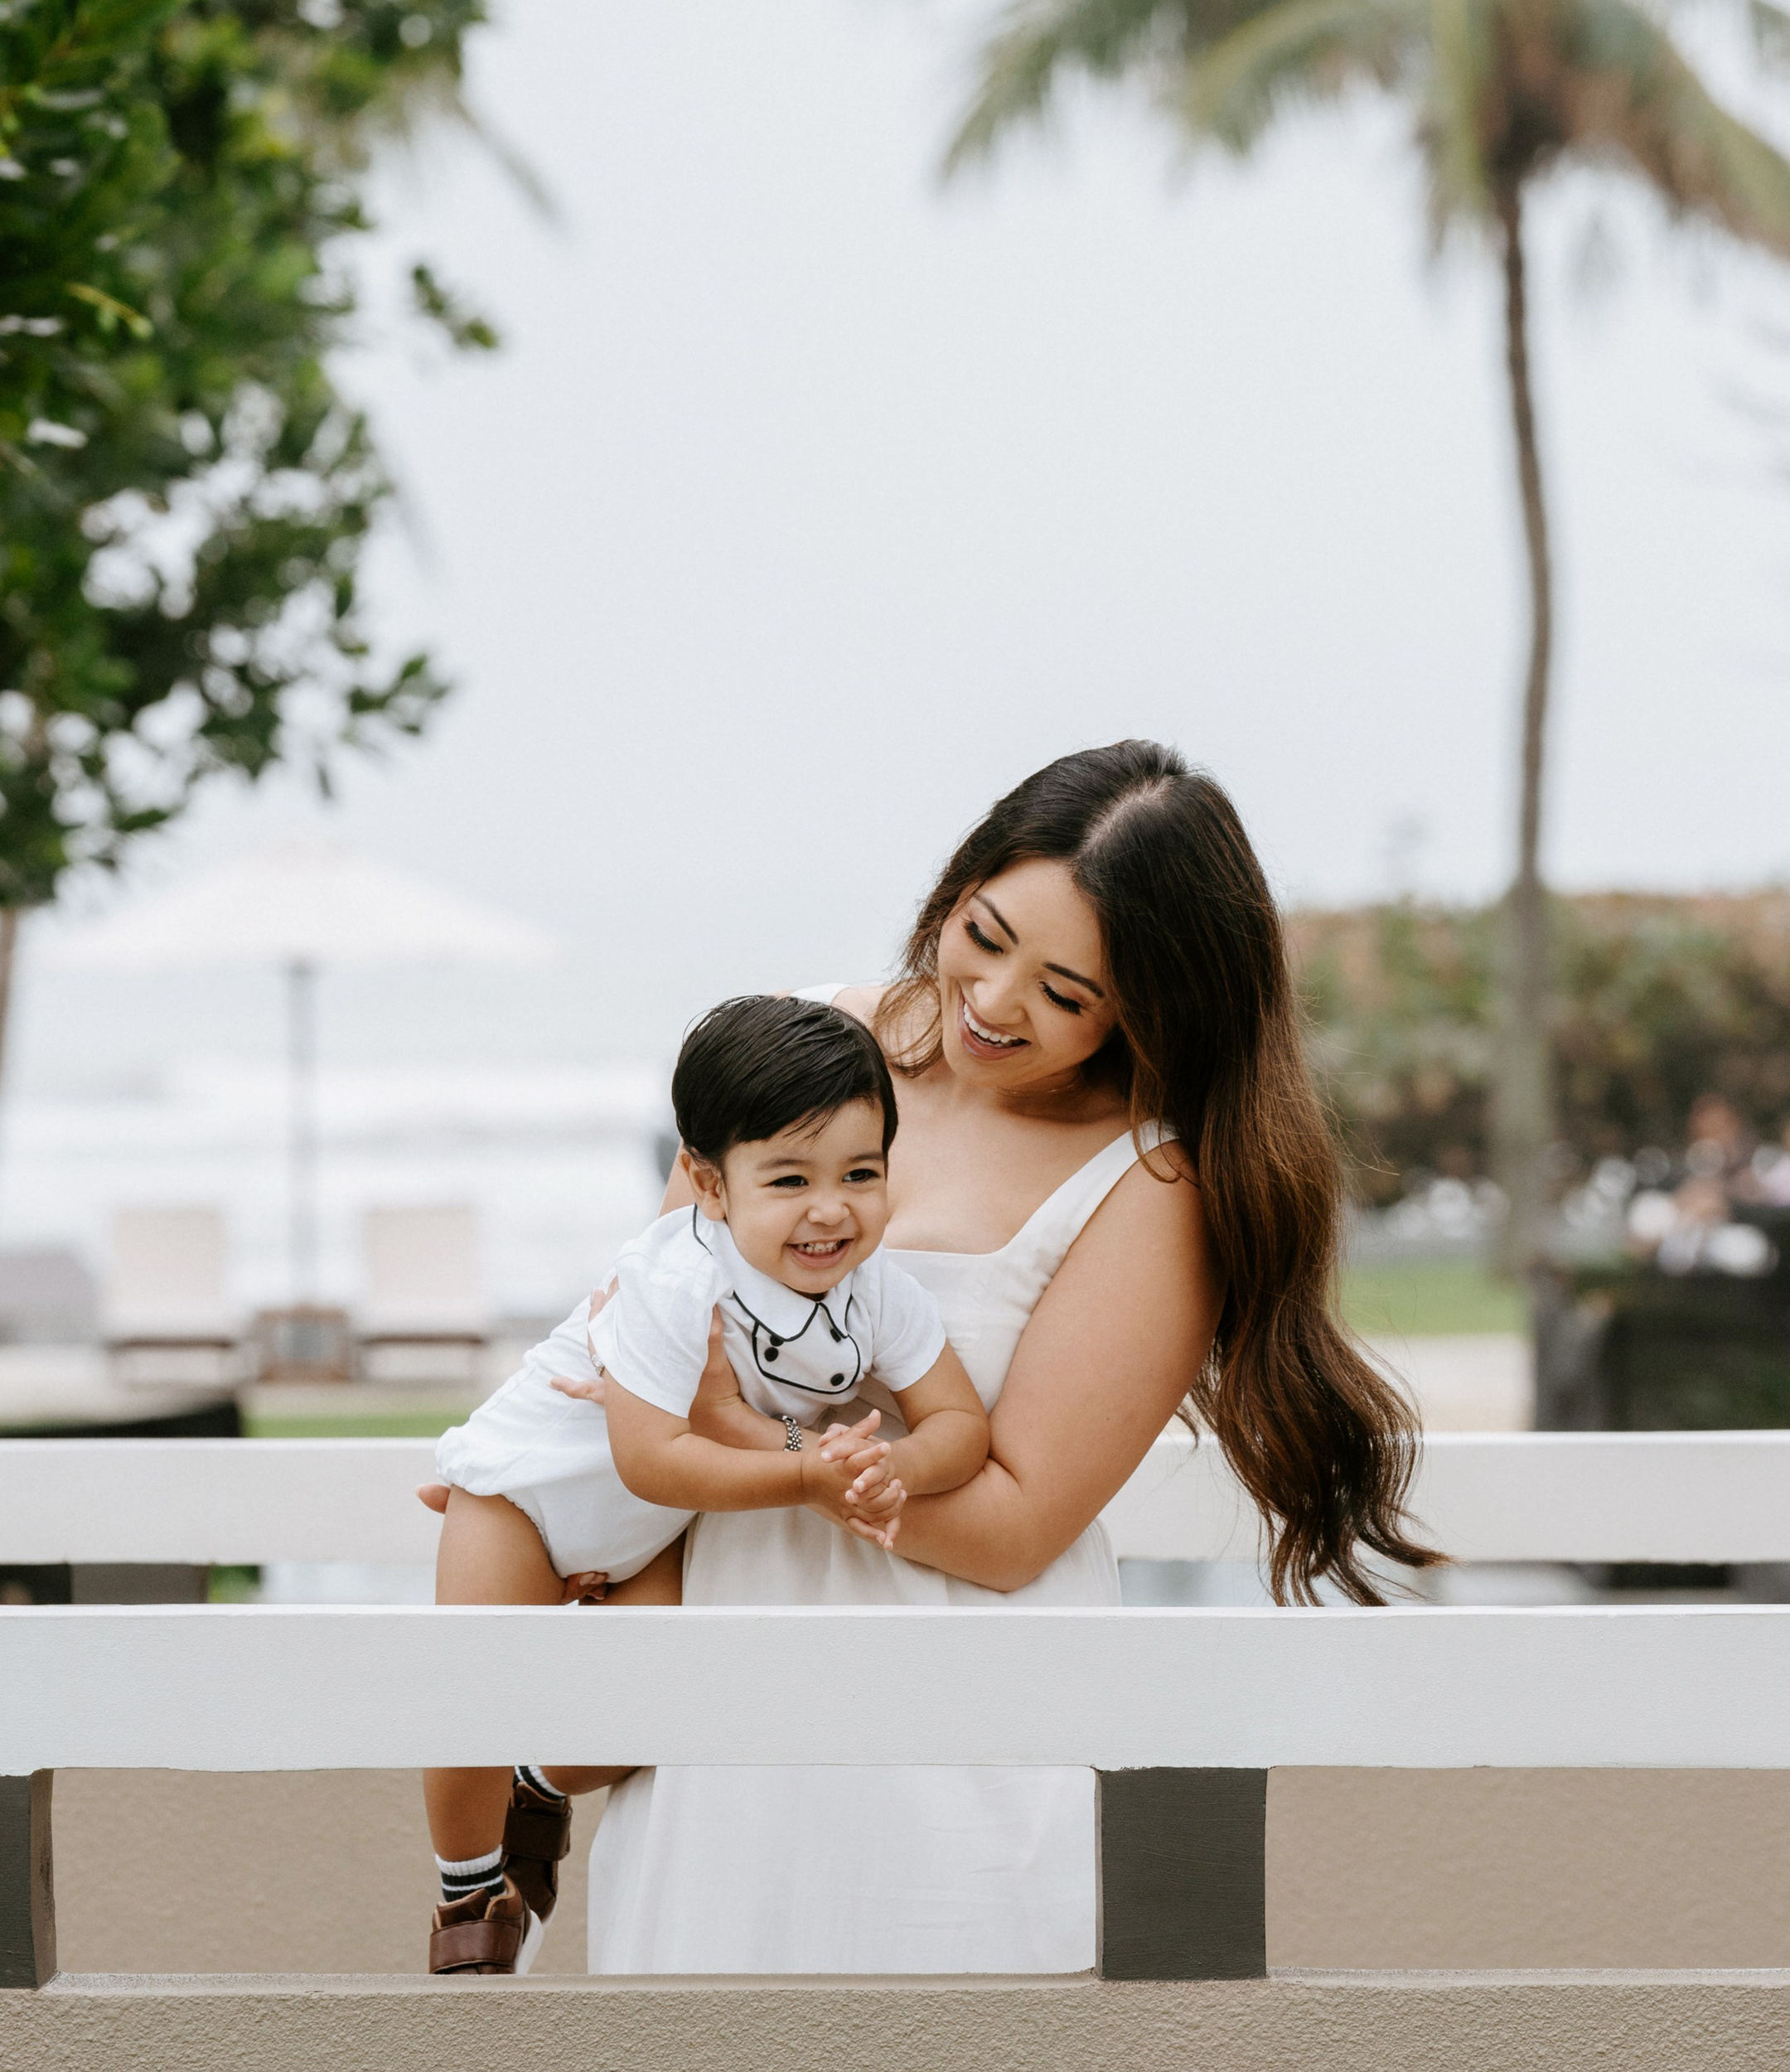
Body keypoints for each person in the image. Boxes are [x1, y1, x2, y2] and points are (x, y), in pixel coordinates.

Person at [559, 740, 1436, 1975]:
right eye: (984, 931)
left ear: (1148, 1007)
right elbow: (650, 1320)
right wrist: (542, 1488)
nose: (995, 999)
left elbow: (1019, 1520)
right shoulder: (818, 1043)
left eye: (1067, 992)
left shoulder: (1150, 1180)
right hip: (724, 1709)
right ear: (961, 880)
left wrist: (774, 1450)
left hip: (953, 1738)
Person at [420, 990, 990, 1972]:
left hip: (654, 1529)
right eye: (788, 1178)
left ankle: (541, 1782)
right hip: (526, 1496)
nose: (830, 1207)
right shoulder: (677, 1278)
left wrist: (888, 1469)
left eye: (862, 1171)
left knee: (655, 1708)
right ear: (708, 1183)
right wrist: (812, 1475)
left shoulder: (878, 1291)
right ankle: (467, 1886)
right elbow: (651, 1456)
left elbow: (961, 1423)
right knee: (474, 1688)